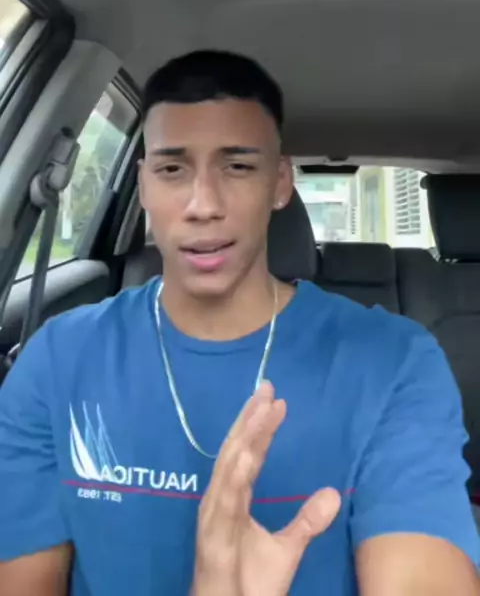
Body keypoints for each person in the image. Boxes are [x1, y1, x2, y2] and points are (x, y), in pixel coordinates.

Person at [0, 48, 479, 596]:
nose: (203, 204)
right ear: (144, 184)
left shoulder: (393, 362)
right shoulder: (58, 358)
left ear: (280, 183)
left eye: (238, 166)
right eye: (172, 169)